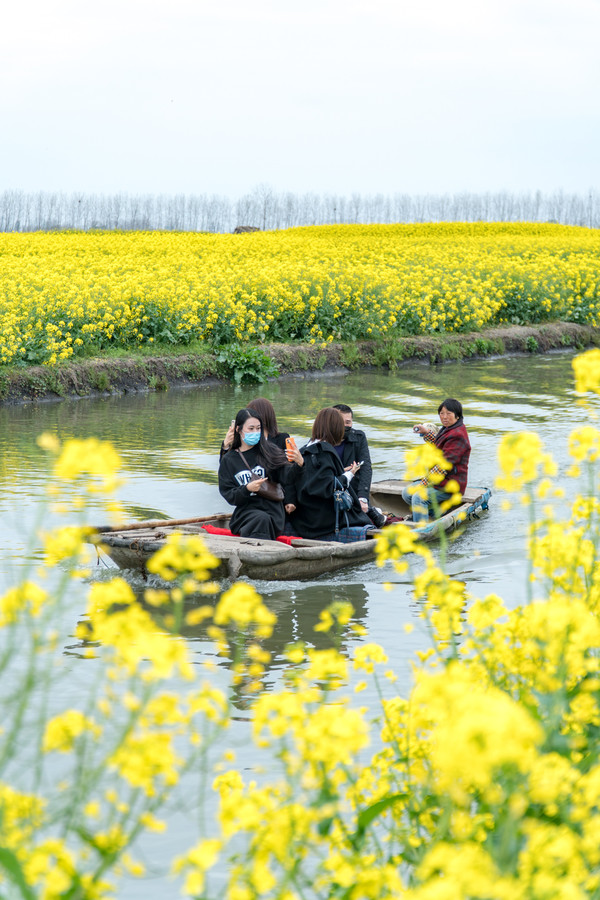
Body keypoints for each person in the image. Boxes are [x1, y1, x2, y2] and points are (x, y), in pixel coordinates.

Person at [286, 407, 374, 542]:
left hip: (304, 517)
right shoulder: (325, 452)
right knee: (365, 517)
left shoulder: (305, 450)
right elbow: (329, 487)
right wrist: (349, 474)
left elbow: (311, 479)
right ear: (336, 428)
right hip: (322, 521)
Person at [218, 408, 289, 540]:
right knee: (260, 519)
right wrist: (247, 489)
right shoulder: (229, 459)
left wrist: (299, 463)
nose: (255, 432)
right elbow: (229, 494)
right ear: (239, 430)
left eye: (258, 428)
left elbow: (287, 476)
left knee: (264, 519)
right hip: (246, 512)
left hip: (272, 510)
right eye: (251, 428)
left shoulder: (270, 452)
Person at [402, 398, 471, 525]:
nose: (444, 417)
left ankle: (422, 530)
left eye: (448, 413)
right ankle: (436, 514)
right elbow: (440, 446)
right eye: (441, 413)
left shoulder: (458, 435)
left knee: (418, 497)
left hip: (451, 483)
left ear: (457, 415)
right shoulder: (449, 428)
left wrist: (422, 484)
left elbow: (442, 467)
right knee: (406, 493)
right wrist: (426, 432)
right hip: (440, 480)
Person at [332, 403, 386, 528]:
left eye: (348, 422)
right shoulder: (321, 440)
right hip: (330, 486)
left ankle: (369, 510)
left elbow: (366, 467)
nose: (345, 426)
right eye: (341, 422)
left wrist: (363, 497)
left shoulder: (358, 437)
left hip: (351, 489)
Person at [220, 397, 290, 458]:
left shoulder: (282, 439)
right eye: (251, 428)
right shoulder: (246, 441)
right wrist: (226, 446)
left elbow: (290, 466)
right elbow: (226, 467)